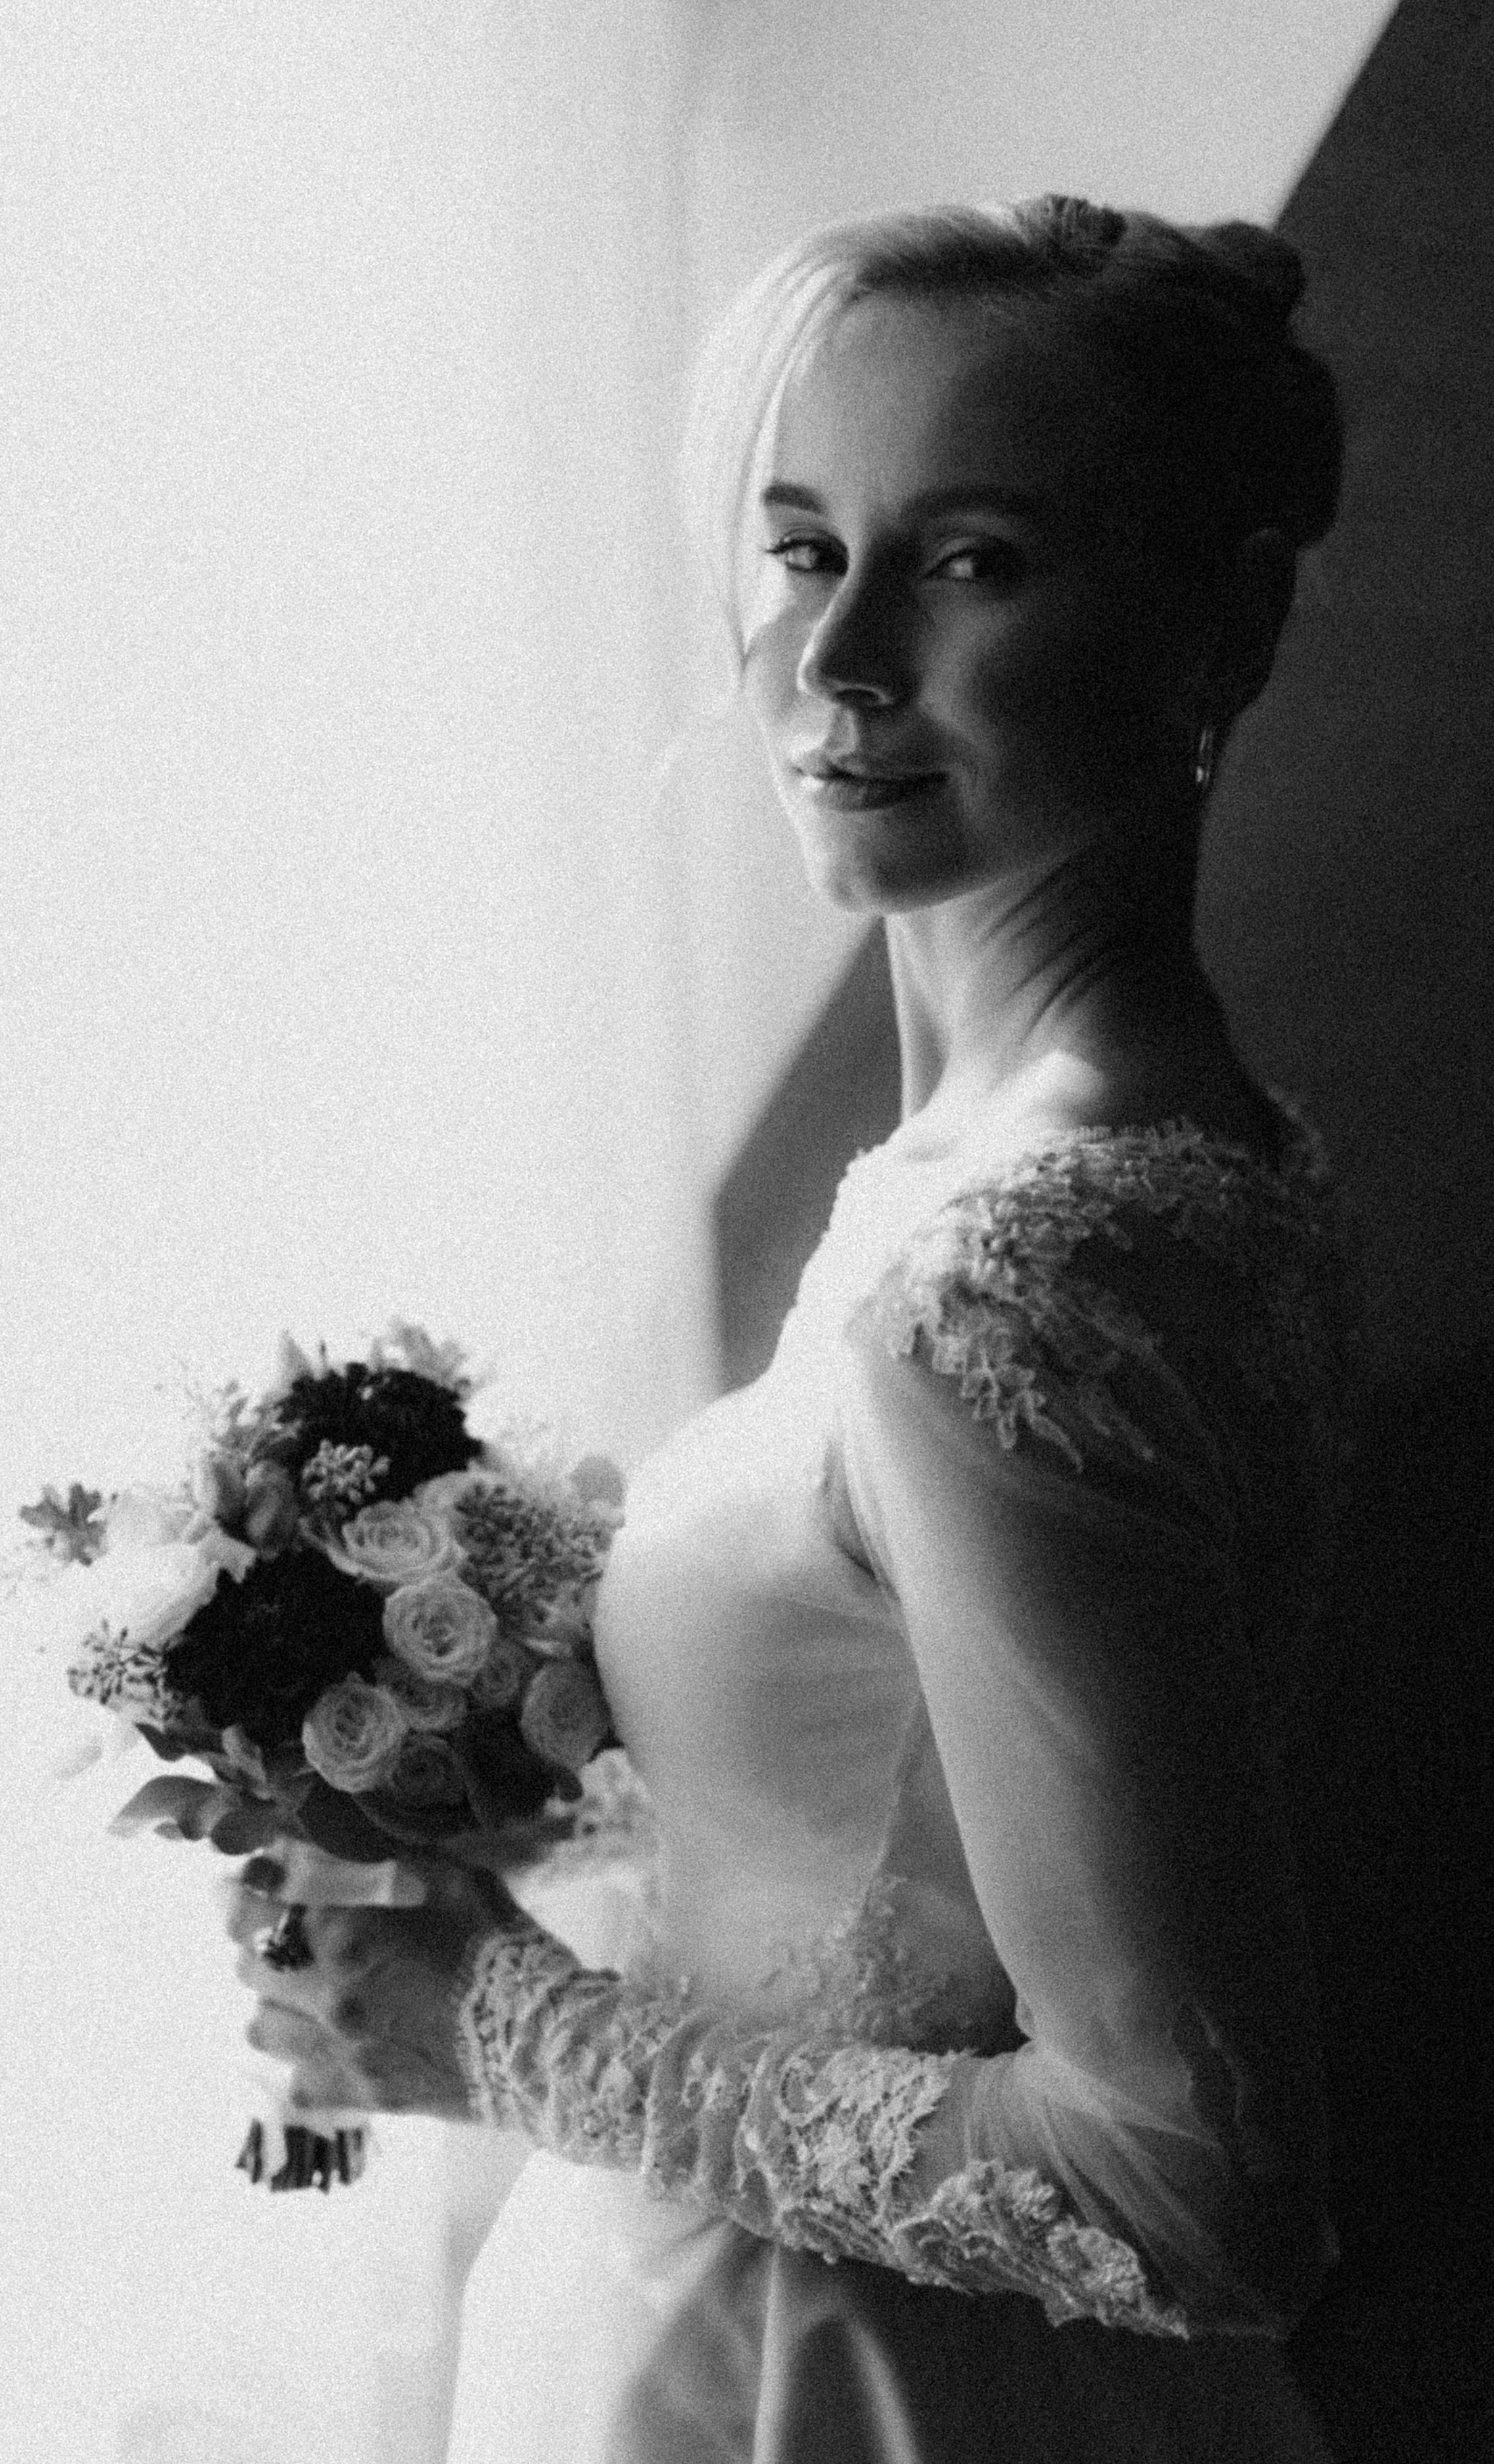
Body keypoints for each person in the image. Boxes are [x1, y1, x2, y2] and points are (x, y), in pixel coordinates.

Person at [229, 194, 1359, 2461]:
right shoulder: (1163, 1159)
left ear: (1214, 623)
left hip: (828, 2393)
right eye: (802, 547)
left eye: (970, 561)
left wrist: (498, 2028)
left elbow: (1189, 2188)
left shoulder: (1011, 1273)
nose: (836, 656)